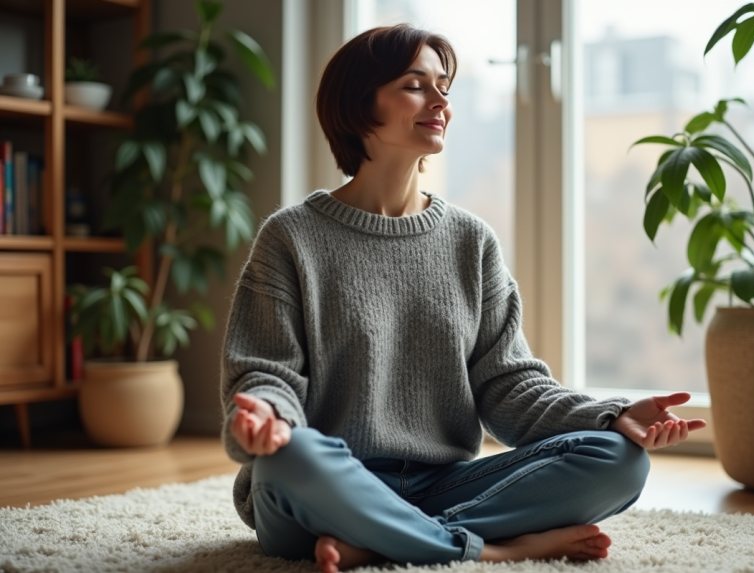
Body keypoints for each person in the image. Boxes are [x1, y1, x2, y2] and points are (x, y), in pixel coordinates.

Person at [220, 24, 706, 573]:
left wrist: (611, 416)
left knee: (620, 461)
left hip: (443, 485)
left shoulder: (471, 241)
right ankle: (489, 548)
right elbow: (265, 374)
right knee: (291, 458)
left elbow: (509, 385)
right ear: (359, 105)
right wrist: (267, 417)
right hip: (325, 486)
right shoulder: (291, 237)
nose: (440, 101)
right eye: (415, 85)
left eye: (444, 86)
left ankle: (384, 542)